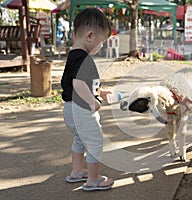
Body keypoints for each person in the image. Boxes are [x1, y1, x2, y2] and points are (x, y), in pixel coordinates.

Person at [61, 8, 114, 191]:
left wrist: (100, 92)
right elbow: (78, 84)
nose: (101, 47)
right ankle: (94, 179)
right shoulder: (84, 59)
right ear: (90, 36)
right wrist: (92, 102)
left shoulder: (73, 56)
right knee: (95, 142)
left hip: (69, 108)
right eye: (102, 42)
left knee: (80, 139)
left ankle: (76, 172)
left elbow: (83, 83)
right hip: (82, 109)